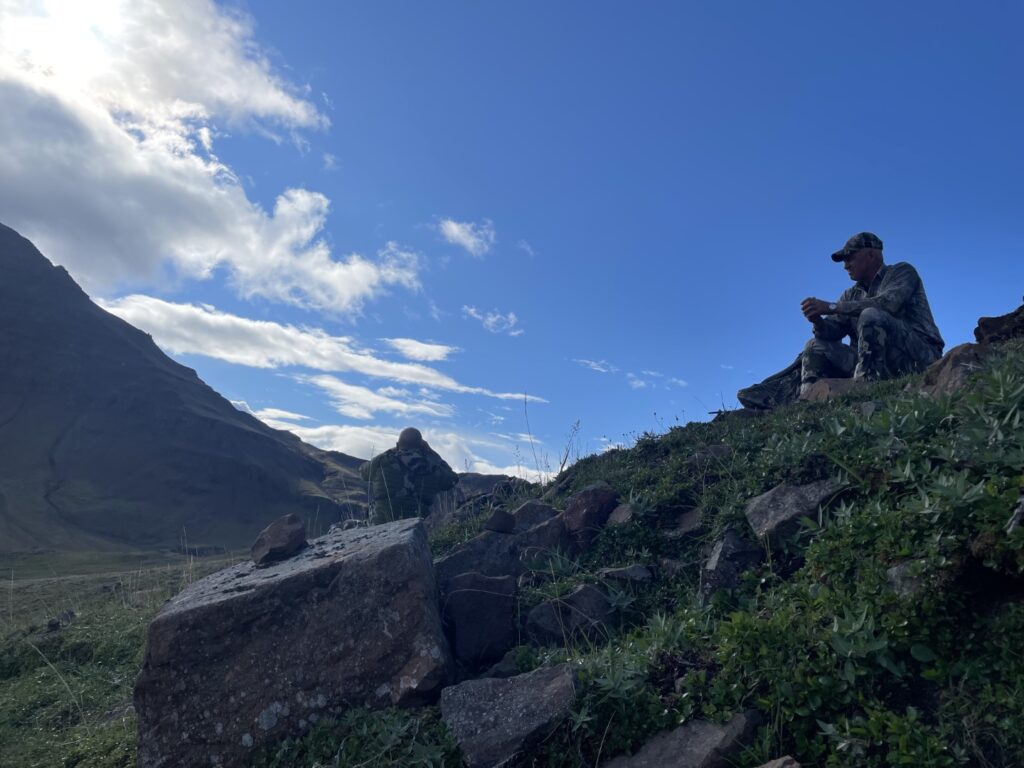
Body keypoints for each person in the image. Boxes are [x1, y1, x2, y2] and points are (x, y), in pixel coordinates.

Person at [798, 232, 944, 394]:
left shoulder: (902, 271)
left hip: (920, 357)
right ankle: (809, 398)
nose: (846, 266)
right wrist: (817, 320)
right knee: (814, 345)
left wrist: (832, 307)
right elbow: (832, 331)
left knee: (871, 314)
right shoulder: (850, 295)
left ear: (871, 254)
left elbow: (888, 304)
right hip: (872, 360)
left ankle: (866, 386)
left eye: (850, 258)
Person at [359, 427, 458, 525]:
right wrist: (431, 453)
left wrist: (391, 451)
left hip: (381, 522)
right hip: (419, 522)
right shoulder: (431, 466)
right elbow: (452, 480)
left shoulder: (383, 460)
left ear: (398, 445)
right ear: (422, 447)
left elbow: (363, 472)